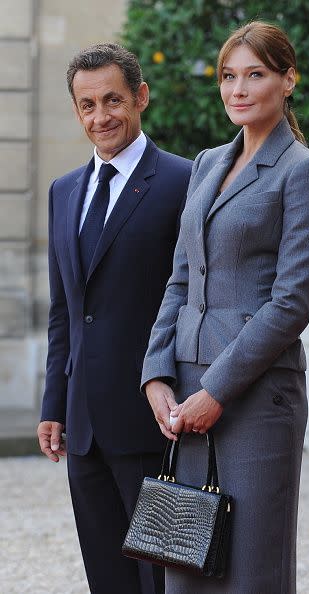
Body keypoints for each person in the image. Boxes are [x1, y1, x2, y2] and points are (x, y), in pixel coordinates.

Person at [141, 21, 309, 594]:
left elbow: (292, 302)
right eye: (229, 76)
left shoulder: (306, 172)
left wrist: (217, 391)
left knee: (251, 573)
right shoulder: (206, 164)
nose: (238, 89)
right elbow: (178, 279)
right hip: (186, 392)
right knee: (185, 561)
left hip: (254, 396)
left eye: (255, 74)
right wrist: (156, 374)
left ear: (288, 80)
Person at [37, 43, 192, 594]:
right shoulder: (63, 192)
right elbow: (66, 311)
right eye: (87, 105)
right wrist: (54, 403)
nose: (100, 117)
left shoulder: (184, 181)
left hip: (156, 420)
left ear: (140, 97)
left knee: (166, 578)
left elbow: (195, 297)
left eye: (112, 101)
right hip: (83, 428)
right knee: (108, 579)